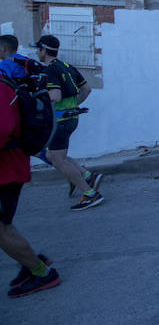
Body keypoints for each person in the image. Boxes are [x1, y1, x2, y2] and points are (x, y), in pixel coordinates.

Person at [1, 73, 61, 298]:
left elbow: (2, 128)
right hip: (9, 168)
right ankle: (32, 262)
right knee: (4, 225)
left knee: (1, 229)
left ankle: (42, 272)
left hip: (5, 171)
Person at [32, 35, 104, 211]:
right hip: (72, 118)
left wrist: (32, 99)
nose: (36, 52)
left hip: (60, 121)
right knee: (59, 156)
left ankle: (89, 194)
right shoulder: (67, 66)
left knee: (57, 160)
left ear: (43, 50)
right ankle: (88, 176)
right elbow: (86, 89)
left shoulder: (50, 70)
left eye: (38, 49)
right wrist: (73, 105)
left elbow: (55, 96)